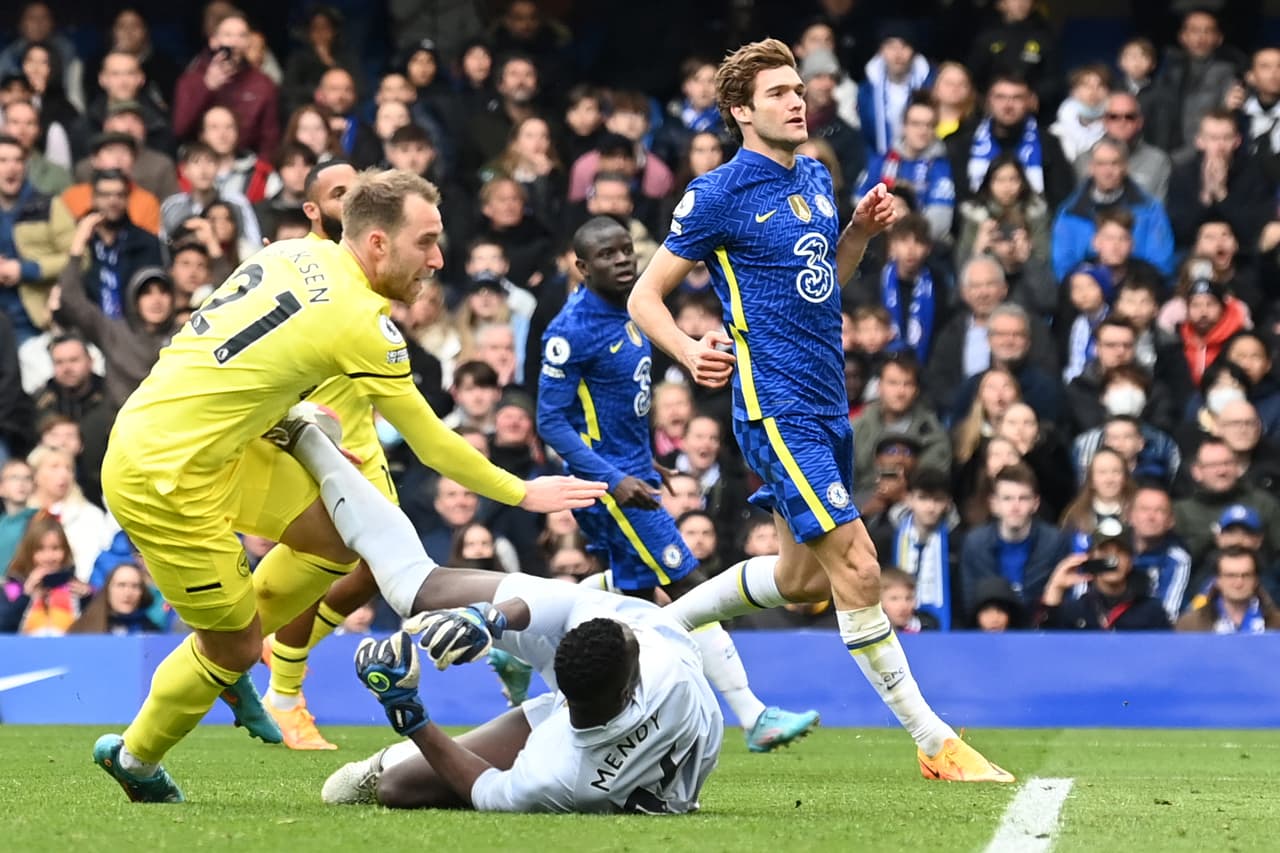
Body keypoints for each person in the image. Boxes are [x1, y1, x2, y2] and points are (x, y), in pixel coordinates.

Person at [91, 168, 607, 801]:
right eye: (426, 242)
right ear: (378, 243)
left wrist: (281, 409)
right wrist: (523, 492)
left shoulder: (287, 252)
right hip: (163, 478)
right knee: (232, 648)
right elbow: (430, 439)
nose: (437, 260)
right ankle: (138, 758)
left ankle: (229, 650)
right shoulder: (360, 320)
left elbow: (223, 350)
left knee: (338, 541)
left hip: (209, 443)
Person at [627, 39, 1012, 782]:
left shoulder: (812, 175)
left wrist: (858, 232)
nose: (797, 101)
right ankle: (935, 742)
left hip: (830, 405)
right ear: (741, 110)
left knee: (803, 580)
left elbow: (823, 279)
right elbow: (646, 296)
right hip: (776, 408)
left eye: (798, 89)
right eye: (778, 92)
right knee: (860, 566)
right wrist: (686, 349)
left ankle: (657, 625)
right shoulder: (717, 193)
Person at [250, 161, 601, 752]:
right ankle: (278, 687)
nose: (353, 198)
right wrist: (521, 491)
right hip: (314, 444)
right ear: (314, 210)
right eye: (339, 194)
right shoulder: (303, 269)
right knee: (334, 564)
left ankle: (271, 662)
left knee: (370, 572)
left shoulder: (364, 278)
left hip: (361, 443)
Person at [535, 217, 815, 749]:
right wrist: (613, 477)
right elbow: (551, 422)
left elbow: (620, 403)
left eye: (626, 249)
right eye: (607, 255)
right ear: (581, 267)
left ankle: (528, 637)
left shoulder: (638, 308)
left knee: (634, 601)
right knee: (690, 586)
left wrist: (646, 462)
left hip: (635, 472)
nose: (622, 260)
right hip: (609, 487)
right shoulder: (570, 332)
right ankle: (753, 715)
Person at [322, 572, 722, 813]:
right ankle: (492, 642)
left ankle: (392, 756)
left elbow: (487, 790)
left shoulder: (557, 776)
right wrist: (487, 617)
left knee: (396, 786)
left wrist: (408, 712)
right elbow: (571, 601)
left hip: (590, 745)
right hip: (613, 724)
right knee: (528, 615)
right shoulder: (659, 660)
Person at [959, 463, 1069, 616]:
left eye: (1023, 498)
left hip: (1040, 626)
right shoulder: (974, 544)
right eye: (1007, 498)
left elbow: (1063, 602)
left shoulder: (1055, 542)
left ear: (1035, 503)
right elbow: (970, 602)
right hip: (989, 628)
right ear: (994, 504)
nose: (1015, 507)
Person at [173, 9, 280, 160]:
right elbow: (180, 129)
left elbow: (269, 140)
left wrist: (260, 171)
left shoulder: (263, 84)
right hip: (199, 162)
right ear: (213, 41)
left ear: (249, 42)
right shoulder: (190, 81)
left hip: (245, 163)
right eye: (228, 35)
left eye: (242, 35)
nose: (235, 41)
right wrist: (207, 87)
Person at [1037, 517, 1171, 630]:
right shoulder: (1075, 611)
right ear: (1091, 559)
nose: (1112, 560)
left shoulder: (1152, 612)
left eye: (1120, 552)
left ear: (1130, 562)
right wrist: (1055, 588)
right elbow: (1045, 644)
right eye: (1104, 552)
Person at [1176, 546, 1280, 633]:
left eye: (1246, 575)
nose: (1239, 583)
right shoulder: (1189, 625)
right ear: (1217, 580)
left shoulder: (1277, 623)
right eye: (1231, 576)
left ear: (1256, 580)